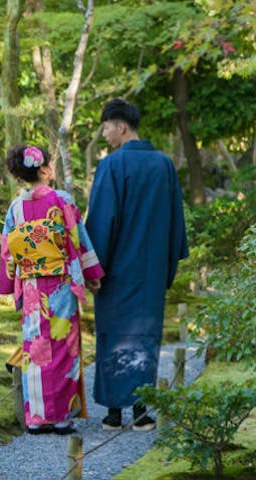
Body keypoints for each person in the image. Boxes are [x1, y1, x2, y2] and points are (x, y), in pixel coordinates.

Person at [86, 98, 189, 431]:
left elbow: (102, 221)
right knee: (145, 337)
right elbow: (176, 221)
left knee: (113, 336)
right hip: (151, 272)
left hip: (115, 273)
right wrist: (167, 266)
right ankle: (143, 412)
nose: (104, 135)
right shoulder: (164, 165)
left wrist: (93, 270)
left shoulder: (111, 167)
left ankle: (115, 414)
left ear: (121, 126)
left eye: (105, 127)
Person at [0, 145, 104, 435]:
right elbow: (78, 239)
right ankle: (61, 418)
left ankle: (36, 417)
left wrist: (9, 284)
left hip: (32, 285)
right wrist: (92, 274)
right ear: (44, 169)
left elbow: (8, 249)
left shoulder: (15, 207)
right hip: (59, 283)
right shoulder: (62, 200)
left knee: (36, 348)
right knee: (63, 345)